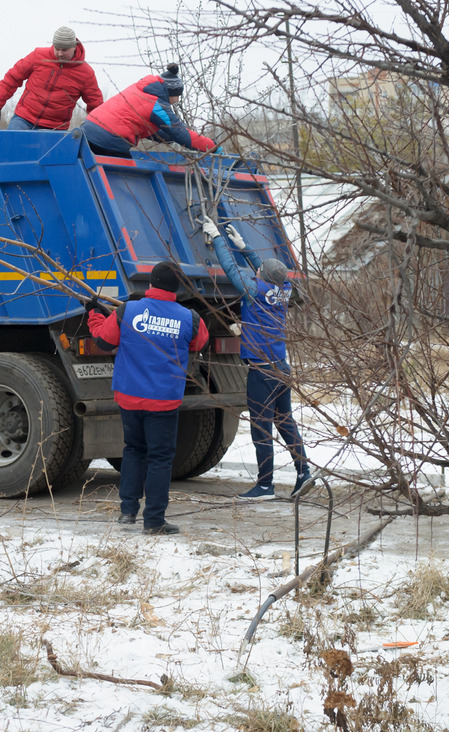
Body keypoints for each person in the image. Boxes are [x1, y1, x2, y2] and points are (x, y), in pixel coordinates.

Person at [86, 261, 209, 534]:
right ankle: (154, 521)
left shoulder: (127, 310)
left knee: (133, 450)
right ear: (177, 287)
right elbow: (200, 342)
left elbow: (103, 341)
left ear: (150, 284)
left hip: (129, 396)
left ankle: (127, 512)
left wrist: (95, 314)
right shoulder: (189, 318)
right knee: (160, 458)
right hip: (164, 400)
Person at [204, 217, 313, 499]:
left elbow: (230, 270)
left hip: (262, 373)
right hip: (281, 368)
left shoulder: (253, 291)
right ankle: (304, 472)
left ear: (261, 278)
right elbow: (261, 271)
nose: (256, 272)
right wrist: (246, 248)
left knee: (261, 427)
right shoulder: (284, 290)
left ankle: (265, 485)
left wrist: (217, 238)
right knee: (285, 421)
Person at [78, 63, 220, 157]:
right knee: (124, 177)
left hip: (87, 130)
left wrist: (169, 137)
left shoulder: (137, 89)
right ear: (170, 93)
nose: (177, 101)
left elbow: (146, 127)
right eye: (177, 96)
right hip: (110, 139)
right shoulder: (157, 105)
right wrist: (212, 147)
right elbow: (181, 133)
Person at [0, 26, 103, 131]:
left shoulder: (85, 73)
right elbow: (13, 77)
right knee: (12, 147)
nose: (60, 53)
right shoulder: (38, 56)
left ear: (74, 47)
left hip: (55, 127)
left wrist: (97, 127)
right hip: (24, 118)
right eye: (57, 49)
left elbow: (95, 103)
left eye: (64, 50)